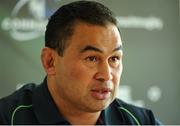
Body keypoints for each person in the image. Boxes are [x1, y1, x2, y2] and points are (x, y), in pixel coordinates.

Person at [0, 0, 161, 125]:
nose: (106, 75)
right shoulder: (7, 118)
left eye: (114, 59)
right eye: (92, 58)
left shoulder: (143, 121)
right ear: (50, 61)